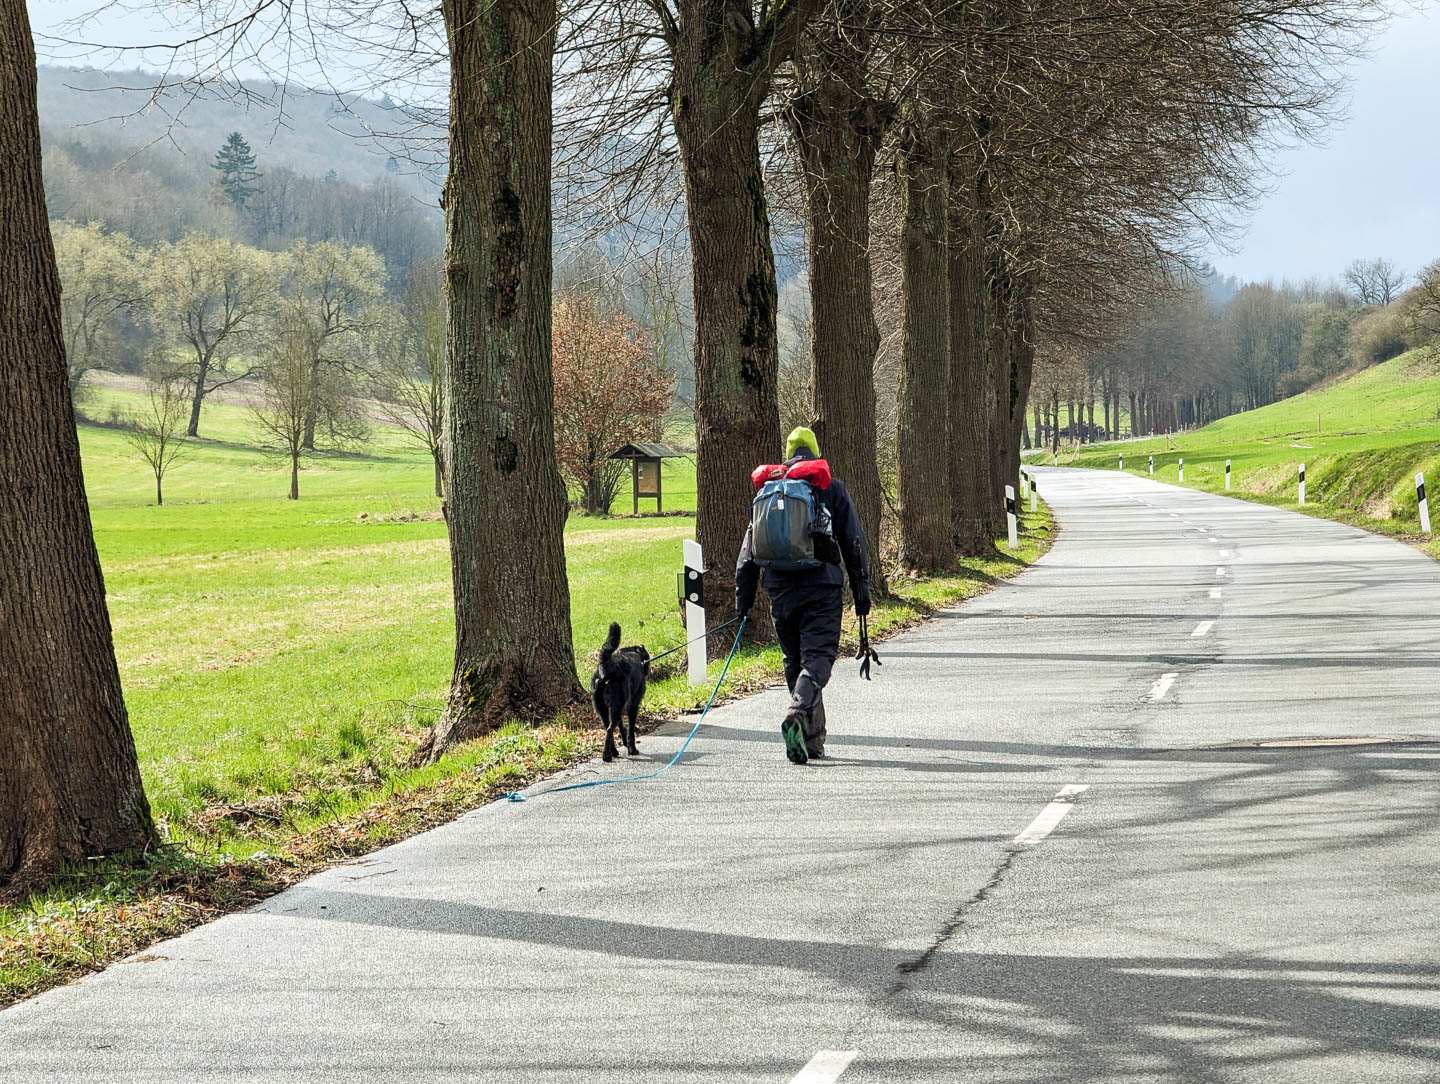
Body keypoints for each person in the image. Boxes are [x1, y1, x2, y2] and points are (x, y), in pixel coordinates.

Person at [735, 426, 871, 764]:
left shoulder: (771, 490)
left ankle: (811, 743)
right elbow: (853, 542)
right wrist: (861, 590)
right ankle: (797, 713)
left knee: (795, 662)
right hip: (821, 587)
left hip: (779, 589)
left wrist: (744, 600)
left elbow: (748, 552)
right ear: (815, 451)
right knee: (818, 659)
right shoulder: (830, 488)